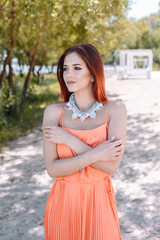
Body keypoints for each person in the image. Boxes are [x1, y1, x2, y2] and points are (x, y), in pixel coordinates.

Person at [42, 43, 127, 240]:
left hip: (99, 202)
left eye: (77, 68)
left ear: (93, 74)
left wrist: (70, 140)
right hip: (63, 202)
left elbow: (111, 166)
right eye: (65, 69)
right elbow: (53, 169)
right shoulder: (53, 113)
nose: (68, 74)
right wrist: (97, 153)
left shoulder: (115, 111)